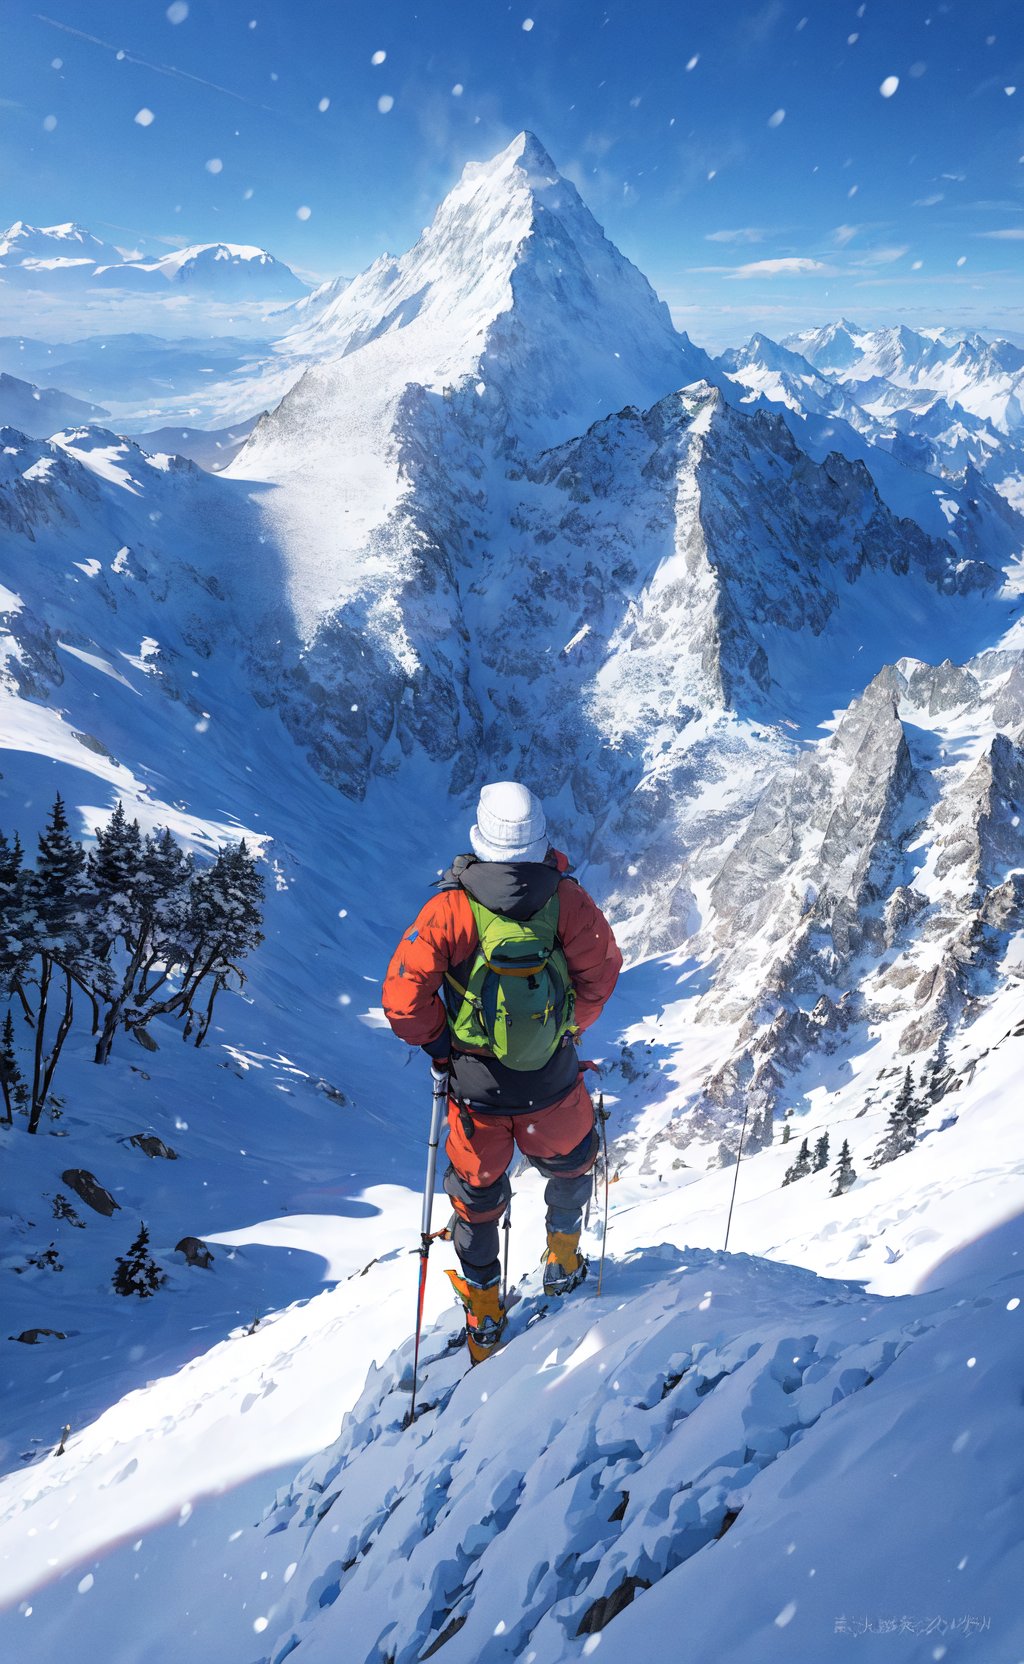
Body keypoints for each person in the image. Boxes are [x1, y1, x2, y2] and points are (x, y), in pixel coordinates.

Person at [383, 781, 622, 1364]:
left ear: (480, 840)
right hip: (551, 1084)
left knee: (478, 1198)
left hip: (476, 1094)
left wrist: (445, 1047)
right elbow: (602, 973)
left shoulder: (450, 908)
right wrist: (565, 1030)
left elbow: (402, 1000)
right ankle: (563, 1260)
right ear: (541, 837)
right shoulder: (568, 902)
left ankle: (485, 1315)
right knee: (572, 1163)